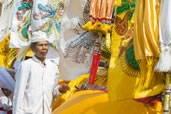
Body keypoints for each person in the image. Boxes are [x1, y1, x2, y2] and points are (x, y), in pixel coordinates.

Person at [13, 31, 70, 114]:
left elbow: (53, 92)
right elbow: (18, 94)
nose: (44, 48)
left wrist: (60, 89)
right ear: (33, 47)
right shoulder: (26, 66)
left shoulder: (52, 67)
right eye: (40, 45)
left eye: (46, 45)